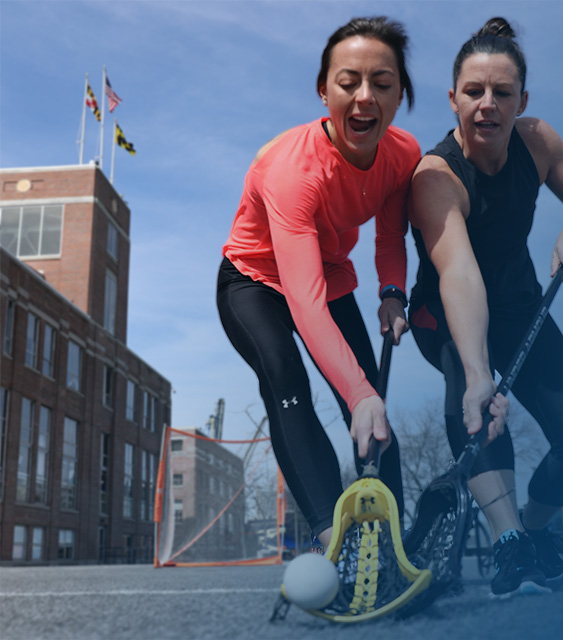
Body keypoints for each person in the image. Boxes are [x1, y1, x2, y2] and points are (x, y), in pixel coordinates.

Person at [408, 17, 563, 598]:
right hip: (447, 314)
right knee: (473, 403)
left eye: (502, 93)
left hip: (521, 307)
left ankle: (534, 530)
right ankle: (507, 545)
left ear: (522, 100)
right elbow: (460, 273)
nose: (487, 105)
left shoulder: (538, 141)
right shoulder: (435, 176)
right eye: (474, 91)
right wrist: (479, 376)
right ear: (453, 99)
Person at [217, 16, 419, 550]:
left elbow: (389, 237)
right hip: (255, 281)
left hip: (328, 275)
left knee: (372, 402)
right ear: (323, 90)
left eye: (382, 82)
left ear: (401, 94)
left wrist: (392, 293)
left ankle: (390, 544)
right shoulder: (293, 170)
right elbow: (303, 305)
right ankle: (334, 538)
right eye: (348, 81)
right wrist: (356, 393)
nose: (364, 97)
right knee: (288, 379)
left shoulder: (403, 155)